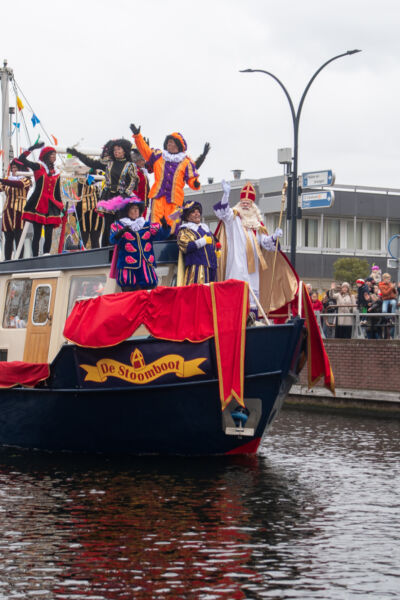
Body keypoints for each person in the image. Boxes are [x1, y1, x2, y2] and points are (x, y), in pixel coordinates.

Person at [213, 180, 297, 315]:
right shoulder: (233, 218)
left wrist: (274, 237)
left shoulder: (257, 224)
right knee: (236, 290)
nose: (245, 205)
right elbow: (223, 213)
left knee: (252, 294)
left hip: (253, 268)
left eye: (248, 203)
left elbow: (264, 243)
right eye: (243, 202)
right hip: (237, 263)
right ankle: (234, 318)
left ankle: (252, 320)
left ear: (253, 206)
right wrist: (226, 195)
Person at [67, 139, 138, 246]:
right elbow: (91, 162)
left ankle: (120, 248)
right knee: (108, 225)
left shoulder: (130, 165)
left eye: (118, 149)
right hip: (109, 197)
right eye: (114, 149)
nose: (116, 151)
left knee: (120, 224)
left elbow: (133, 181)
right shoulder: (109, 163)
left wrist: (125, 194)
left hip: (122, 198)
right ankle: (106, 249)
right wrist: (77, 154)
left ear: (124, 150)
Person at [130, 124, 200, 227]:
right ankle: (156, 240)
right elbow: (145, 150)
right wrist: (138, 136)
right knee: (156, 221)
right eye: (168, 142)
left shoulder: (186, 162)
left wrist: (195, 183)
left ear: (178, 145)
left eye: (171, 142)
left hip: (175, 200)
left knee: (173, 224)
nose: (168, 144)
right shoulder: (159, 156)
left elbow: (192, 179)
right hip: (158, 196)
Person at [109, 196, 170, 291]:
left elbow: (160, 236)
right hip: (127, 267)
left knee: (147, 292)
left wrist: (165, 227)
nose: (135, 211)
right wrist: (121, 232)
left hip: (145, 266)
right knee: (129, 293)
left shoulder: (147, 225)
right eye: (133, 208)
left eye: (137, 209)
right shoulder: (118, 225)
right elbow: (113, 240)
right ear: (126, 211)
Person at [19, 142, 63, 257]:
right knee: (37, 234)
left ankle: (46, 255)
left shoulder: (57, 173)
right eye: (52, 154)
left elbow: (57, 191)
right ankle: (35, 257)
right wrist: (32, 148)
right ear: (46, 155)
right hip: (38, 204)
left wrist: (61, 206)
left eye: (55, 154)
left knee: (49, 233)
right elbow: (22, 159)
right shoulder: (38, 167)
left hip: (51, 205)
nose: (54, 156)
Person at [176, 200, 219, 285]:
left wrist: (217, 250)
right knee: (199, 292)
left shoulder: (205, 228)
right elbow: (185, 246)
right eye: (193, 212)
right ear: (188, 217)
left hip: (211, 265)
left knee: (211, 293)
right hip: (197, 268)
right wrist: (203, 241)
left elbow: (215, 241)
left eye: (198, 212)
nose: (197, 214)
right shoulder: (185, 229)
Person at [0, 159, 32, 260]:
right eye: (12, 168)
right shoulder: (8, 179)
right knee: (8, 236)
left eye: (16, 168)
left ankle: (20, 259)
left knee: (19, 236)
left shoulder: (26, 180)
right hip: (8, 210)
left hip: (20, 210)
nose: (13, 170)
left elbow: (19, 185)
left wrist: (3, 180)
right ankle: (7, 259)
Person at [75, 171, 103, 248]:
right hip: (83, 209)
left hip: (96, 209)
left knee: (95, 236)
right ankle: (79, 256)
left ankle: (97, 256)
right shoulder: (81, 175)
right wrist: (98, 178)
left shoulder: (99, 173)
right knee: (84, 236)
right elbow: (87, 182)